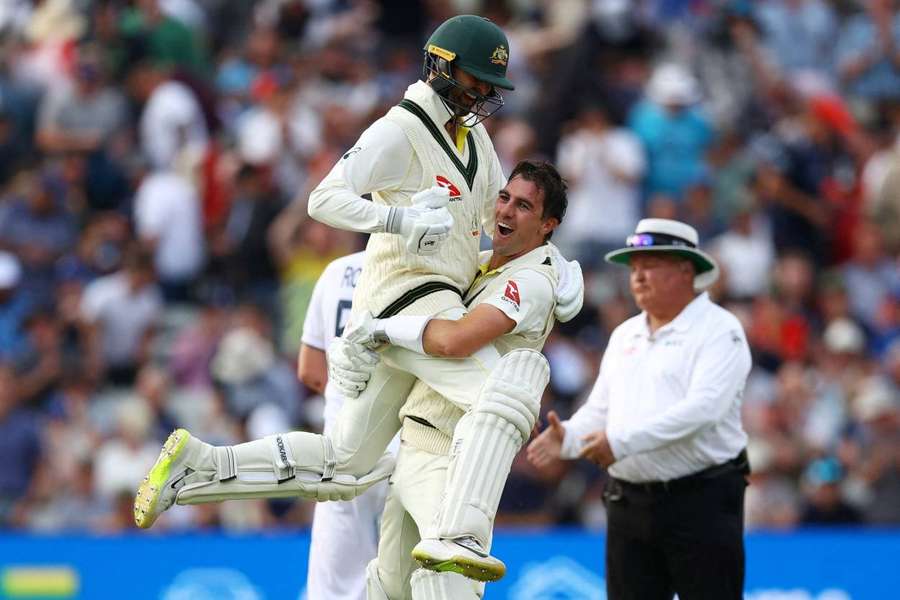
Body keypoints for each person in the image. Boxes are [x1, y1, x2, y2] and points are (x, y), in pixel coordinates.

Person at [132, 18, 581, 577]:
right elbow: (325, 198)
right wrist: (395, 217)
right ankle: (460, 535)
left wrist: (554, 263)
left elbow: (502, 222)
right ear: (440, 66)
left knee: (346, 465)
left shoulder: (477, 140)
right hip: (405, 296)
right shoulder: (401, 127)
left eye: (493, 85)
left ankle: (199, 467)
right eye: (477, 80)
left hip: (436, 301)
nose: (486, 94)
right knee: (507, 386)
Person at [349, 160, 567, 598]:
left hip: (454, 453)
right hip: (413, 442)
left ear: (548, 225)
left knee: (445, 581)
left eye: (523, 206)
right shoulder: (482, 263)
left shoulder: (533, 281)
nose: (505, 211)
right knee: (388, 588)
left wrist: (384, 332)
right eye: (504, 197)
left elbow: (455, 341)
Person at [528, 218, 752, 600]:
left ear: (686, 270)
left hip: (700, 501)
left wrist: (620, 442)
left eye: (650, 264)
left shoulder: (721, 330)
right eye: (634, 267)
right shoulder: (625, 333)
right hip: (629, 503)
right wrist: (568, 438)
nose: (638, 276)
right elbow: (600, 409)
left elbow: (703, 411)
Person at [297, 250, 394, 600]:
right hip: (405, 451)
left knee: (333, 590)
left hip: (340, 455)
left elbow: (309, 370)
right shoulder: (426, 269)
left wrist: (348, 399)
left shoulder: (336, 270)